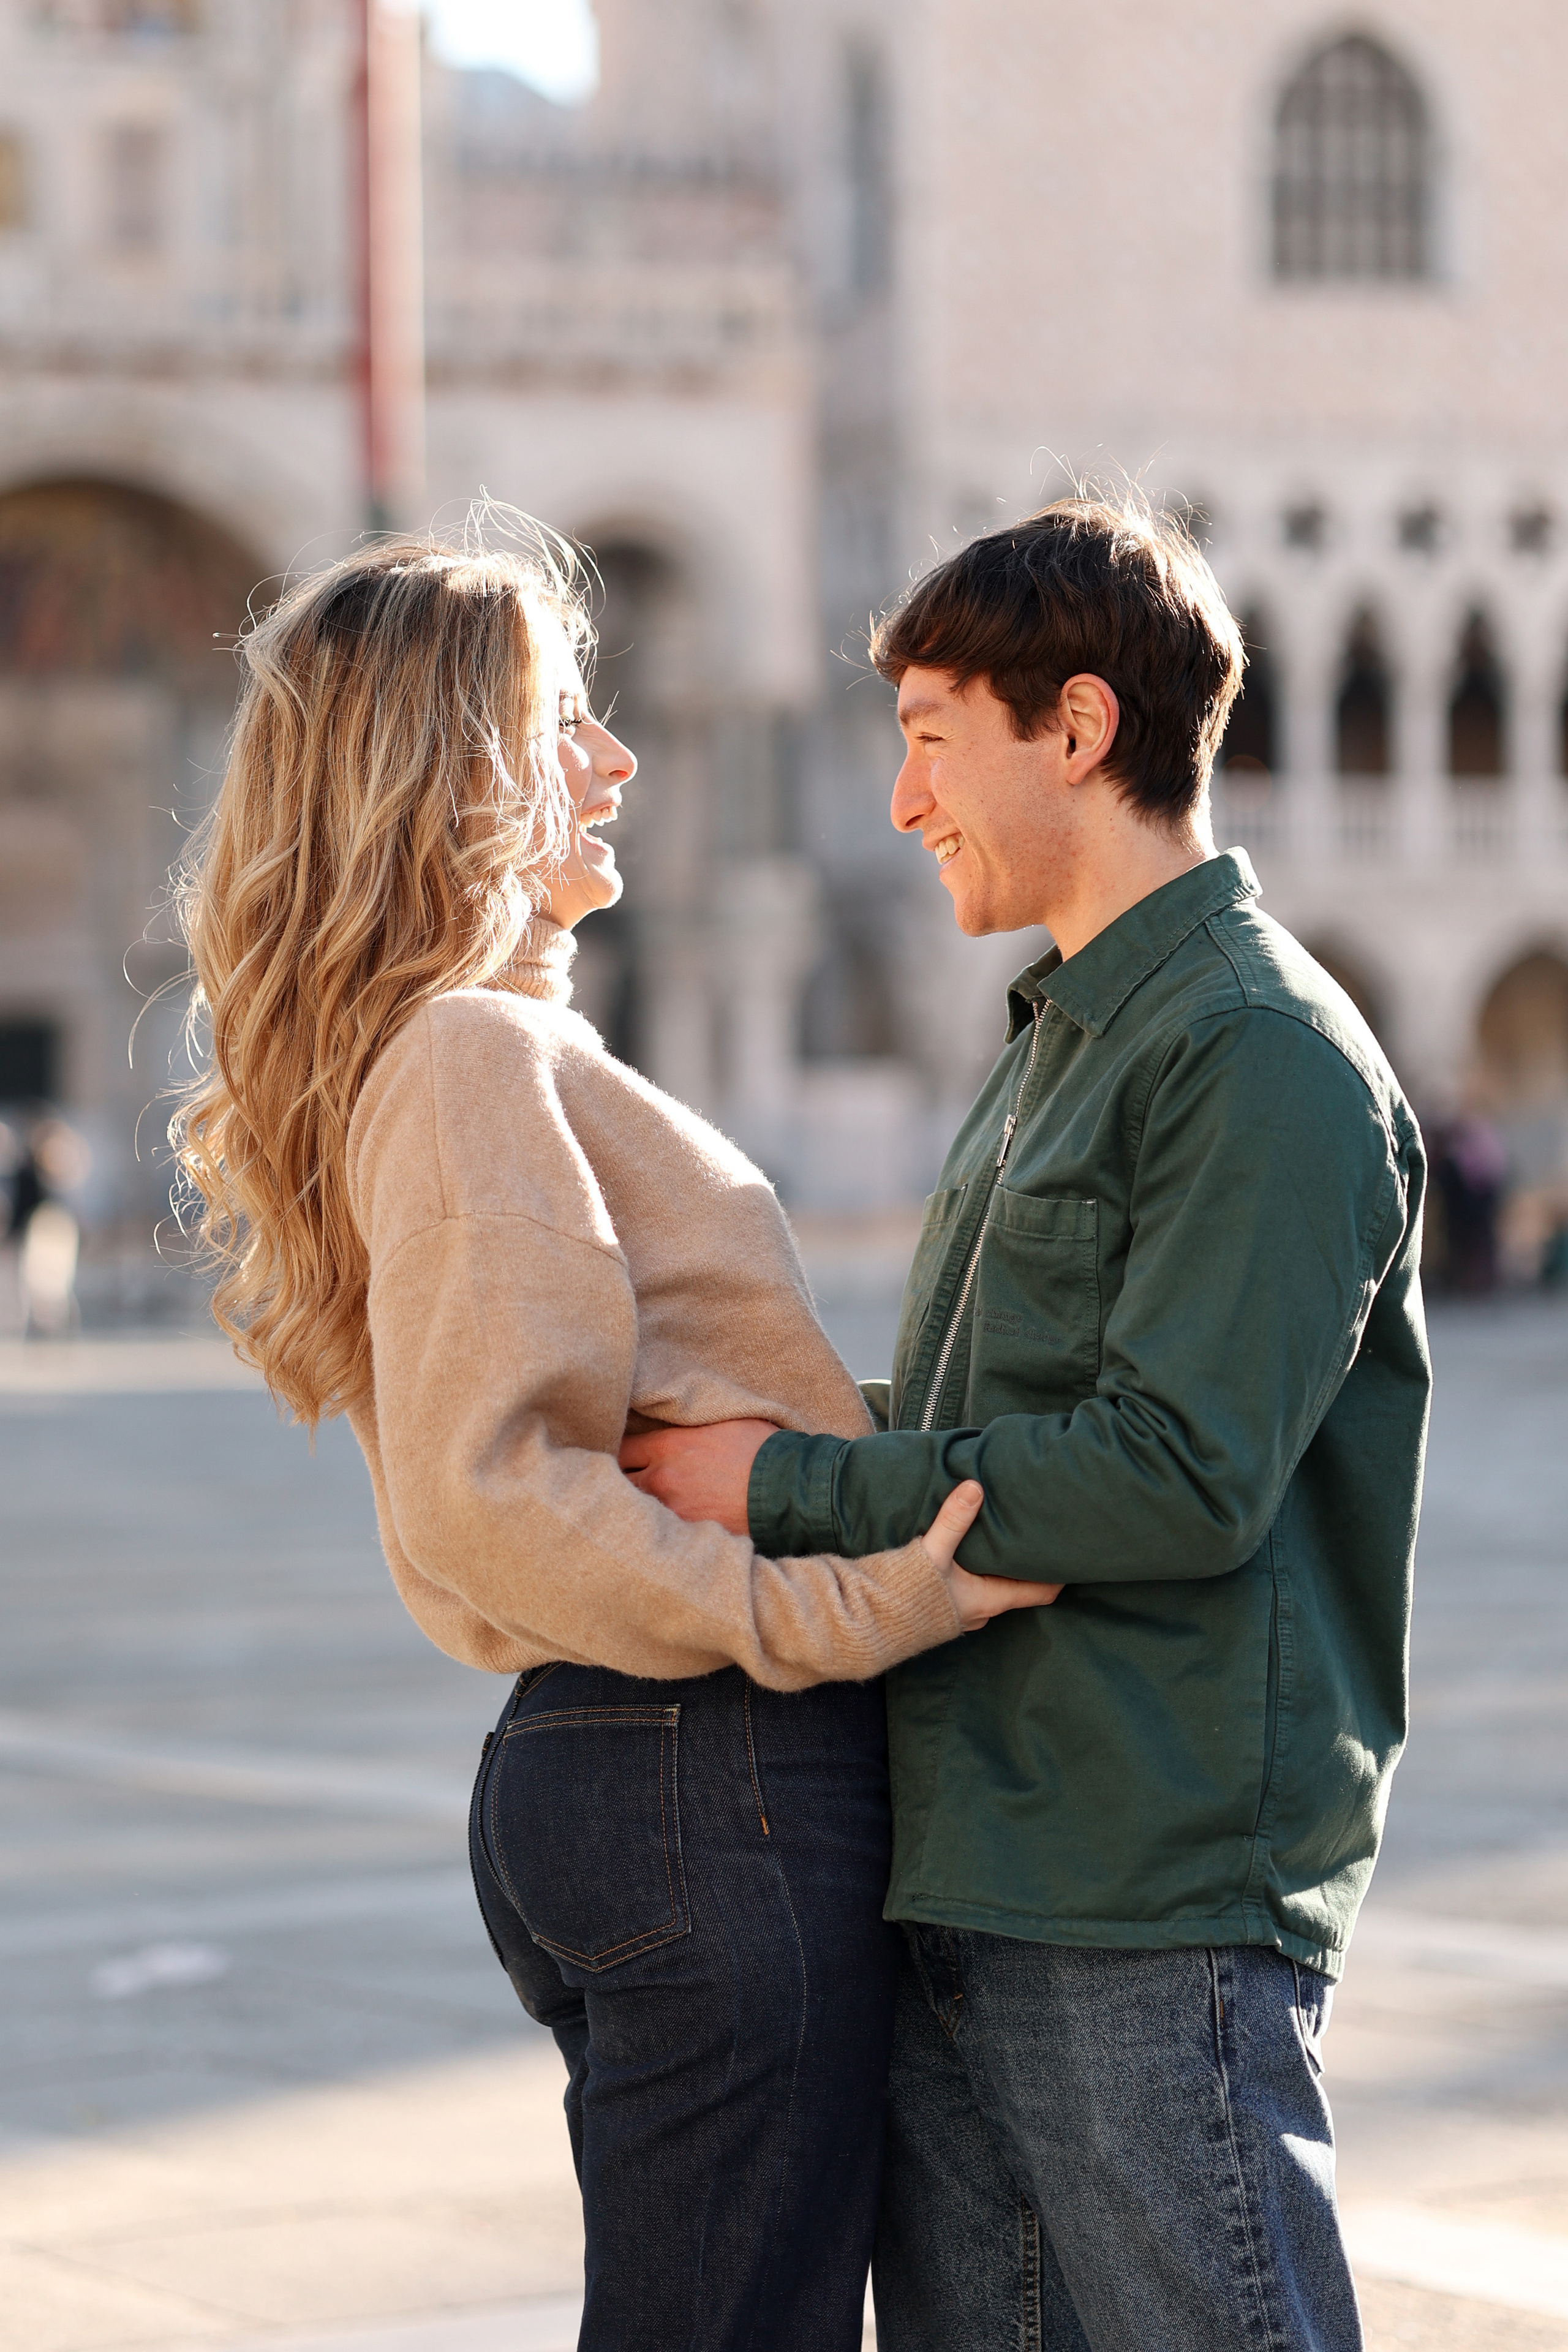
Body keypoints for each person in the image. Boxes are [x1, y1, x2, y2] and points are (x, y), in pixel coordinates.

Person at [169, 517, 1056, 2352]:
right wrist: (863, 1607)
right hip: (699, 1767)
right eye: (567, 716)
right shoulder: (473, 1057)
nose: (620, 756)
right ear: (458, 767)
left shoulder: (475, 1053)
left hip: (656, 1778)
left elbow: (679, 1412)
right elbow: (497, 1494)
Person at [621, 496, 1432, 2352]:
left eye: (928, 737)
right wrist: (758, 1427)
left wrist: (794, 1483)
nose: (903, 803)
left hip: (1145, 1897)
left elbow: (1178, 1475)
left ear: (1077, 729)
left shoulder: (1262, 1055)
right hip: (970, 1865)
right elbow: (1007, 1423)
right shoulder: (1057, 1042)